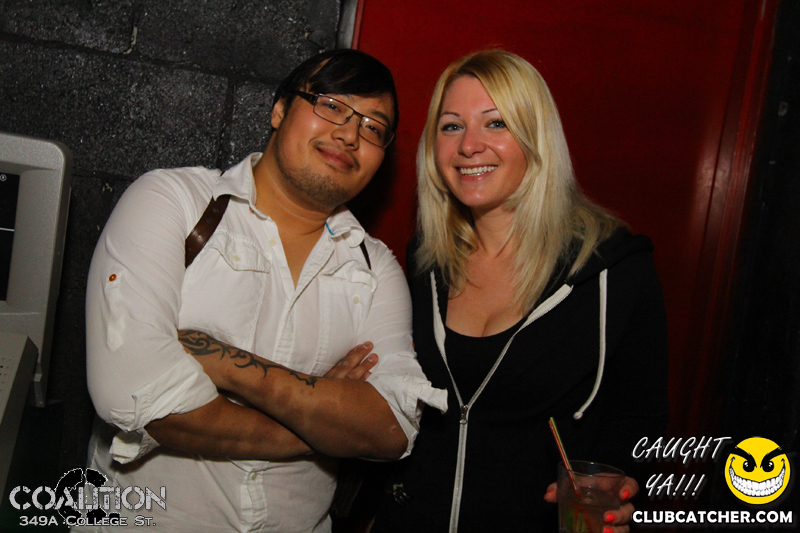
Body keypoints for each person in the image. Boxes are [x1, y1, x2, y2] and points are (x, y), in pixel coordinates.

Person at [84, 49, 447, 532]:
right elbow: (134, 395)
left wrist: (227, 364)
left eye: (373, 127)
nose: (350, 134)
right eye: (331, 105)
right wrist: (321, 425)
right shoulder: (174, 203)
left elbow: (392, 427)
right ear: (279, 110)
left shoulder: (375, 268)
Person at [371, 49, 669, 532]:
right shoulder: (427, 260)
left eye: (496, 123)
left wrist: (617, 483)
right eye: (451, 126)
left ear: (536, 138)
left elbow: (640, 419)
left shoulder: (614, 270)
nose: (469, 145)